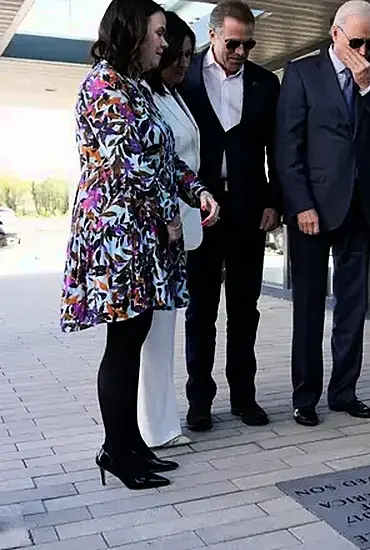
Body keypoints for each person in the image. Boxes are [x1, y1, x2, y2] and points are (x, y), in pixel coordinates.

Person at [60, 0, 219, 490]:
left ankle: (131, 445)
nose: (164, 43)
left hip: (141, 237)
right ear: (130, 32)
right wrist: (168, 215)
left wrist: (198, 191)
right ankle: (116, 450)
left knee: (133, 340)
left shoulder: (135, 88)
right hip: (118, 237)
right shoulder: (103, 86)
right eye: (156, 33)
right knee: (124, 343)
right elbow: (125, 167)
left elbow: (163, 156)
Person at [275, 0, 370, 427]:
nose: (364, 50)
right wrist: (301, 204)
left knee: (353, 308)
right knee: (310, 308)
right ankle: (305, 397)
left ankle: (344, 392)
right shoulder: (302, 73)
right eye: (356, 42)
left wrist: (369, 88)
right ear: (335, 35)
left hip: (358, 209)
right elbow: (286, 147)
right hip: (313, 210)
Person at [178, 0, 283, 432]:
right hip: (201, 208)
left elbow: (277, 147)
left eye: (249, 44)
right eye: (234, 44)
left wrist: (275, 200)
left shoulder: (265, 83)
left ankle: (244, 396)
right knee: (201, 308)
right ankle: (199, 401)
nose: (242, 52)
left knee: (245, 308)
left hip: (248, 209)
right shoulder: (184, 77)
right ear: (213, 35)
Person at [138, 11, 203, 449]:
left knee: (165, 331)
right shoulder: (143, 95)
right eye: (176, 52)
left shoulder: (173, 94)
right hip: (158, 228)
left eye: (188, 56)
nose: (182, 63)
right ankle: (152, 427)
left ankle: (163, 422)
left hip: (181, 226)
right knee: (150, 336)